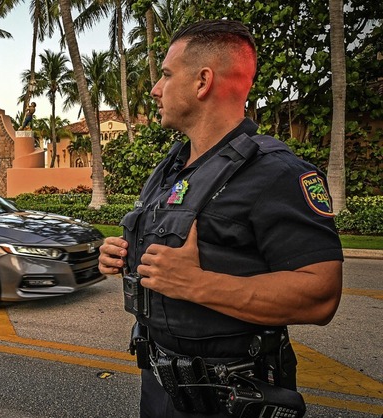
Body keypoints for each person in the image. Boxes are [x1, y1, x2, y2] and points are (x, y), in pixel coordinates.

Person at [98, 19, 343, 418]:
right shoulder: (172, 167)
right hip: (160, 390)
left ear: (202, 82)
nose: (156, 89)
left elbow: (321, 295)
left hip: (230, 399)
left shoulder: (277, 172)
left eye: (165, 75)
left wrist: (197, 284)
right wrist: (122, 254)